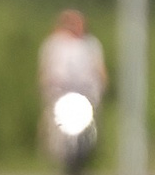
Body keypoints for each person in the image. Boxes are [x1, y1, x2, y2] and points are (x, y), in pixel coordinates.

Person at [36, 9, 106, 160]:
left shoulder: (90, 44)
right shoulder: (54, 43)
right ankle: (56, 152)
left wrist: (102, 86)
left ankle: (87, 150)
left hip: (85, 92)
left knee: (90, 123)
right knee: (54, 122)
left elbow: (99, 69)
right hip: (60, 91)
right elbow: (46, 68)